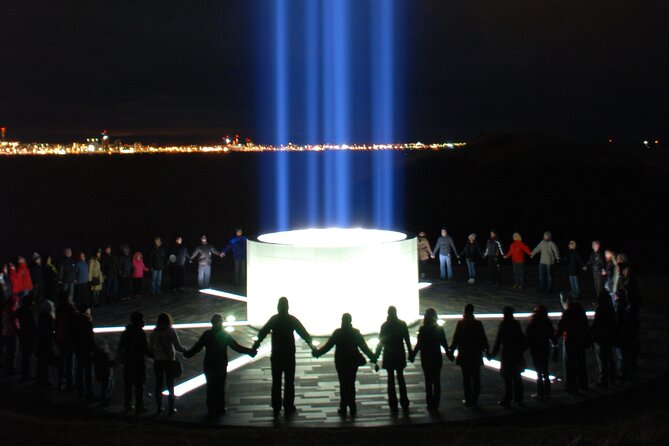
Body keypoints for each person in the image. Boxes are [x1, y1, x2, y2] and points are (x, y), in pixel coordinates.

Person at [184, 314, 256, 416]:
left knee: (210, 386)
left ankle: (211, 408)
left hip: (209, 364)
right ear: (221, 323)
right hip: (221, 364)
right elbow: (237, 347)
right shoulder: (224, 335)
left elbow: (197, 347)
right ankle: (220, 408)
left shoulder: (207, 334)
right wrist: (250, 351)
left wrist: (187, 354)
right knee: (220, 386)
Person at [252, 297, 313, 416]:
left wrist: (255, 346)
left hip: (276, 354)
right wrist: (312, 346)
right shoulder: (292, 320)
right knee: (289, 382)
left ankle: (276, 406)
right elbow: (304, 333)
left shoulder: (274, 319)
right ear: (288, 307)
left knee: (276, 381)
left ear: (278, 307)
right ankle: (288, 406)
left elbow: (262, 333)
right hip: (289, 355)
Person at [313, 313, 376, 417]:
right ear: (350, 321)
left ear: (342, 321)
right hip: (352, 361)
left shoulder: (338, 333)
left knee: (343, 384)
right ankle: (352, 406)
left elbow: (328, 346)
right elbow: (364, 348)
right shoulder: (355, 333)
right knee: (351, 383)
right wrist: (372, 357)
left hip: (341, 362)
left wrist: (318, 353)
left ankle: (343, 407)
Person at [409, 308, 452, 412]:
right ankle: (436, 403)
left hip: (426, 357)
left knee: (428, 380)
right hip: (436, 356)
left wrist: (413, 355)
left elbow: (419, 345)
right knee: (436, 380)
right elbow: (444, 343)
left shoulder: (423, 329)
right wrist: (449, 353)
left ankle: (429, 402)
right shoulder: (439, 329)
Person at [450, 304, 489, 406]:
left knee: (466, 377)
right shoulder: (478, 323)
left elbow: (456, 339)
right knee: (476, 377)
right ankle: (475, 398)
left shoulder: (461, 323)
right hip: (476, 354)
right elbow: (483, 339)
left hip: (464, 354)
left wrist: (450, 351)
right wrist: (488, 352)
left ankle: (468, 399)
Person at [374, 306, 412, 413]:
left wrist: (375, 356)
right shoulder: (402, 324)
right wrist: (411, 353)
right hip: (399, 353)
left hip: (388, 355)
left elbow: (381, 342)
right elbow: (407, 340)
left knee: (390, 379)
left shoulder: (385, 326)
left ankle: (393, 403)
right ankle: (404, 401)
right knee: (401, 377)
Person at [149, 313, 186, 415]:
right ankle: (171, 407)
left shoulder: (154, 333)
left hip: (158, 361)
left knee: (158, 384)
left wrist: (156, 355)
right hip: (169, 360)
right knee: (170, 384)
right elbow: (177, 346)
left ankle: (159, 407)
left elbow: (150, 348)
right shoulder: (171, 331)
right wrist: (185, 351)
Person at [490, 307, 527, 407]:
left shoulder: (504, 325)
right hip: (516, 355)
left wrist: (492, 354)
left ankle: (508, 398)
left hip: (507, 355)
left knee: (507, 378)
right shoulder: (516, 325)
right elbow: (523, 340)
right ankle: (518, 398)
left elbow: (498, 341)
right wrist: (520, 351)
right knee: (517, 377)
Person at [555, 292, 590, 393]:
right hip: (581, 339)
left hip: (570, 340)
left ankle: (570, 386)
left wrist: (554, 338)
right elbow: (585, 323)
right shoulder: (580, 309)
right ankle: (583, 384)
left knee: (569, 364)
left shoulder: (568, 312)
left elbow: (561, 327)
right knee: (581, 362)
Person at [117, 312, 150, 413]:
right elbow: (145, 349)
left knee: (128, 385)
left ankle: (127, 404)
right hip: (138, 361)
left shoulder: (126, 332)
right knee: (139, 385)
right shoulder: (140, 333)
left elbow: (120, 347)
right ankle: (139, 405)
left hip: (128, 362)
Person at [525, 305, 554, 398]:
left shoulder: (532, 323)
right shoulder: (547, 322)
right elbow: (551, 335)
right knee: (545, 369)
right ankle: (547, 390)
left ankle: (540, 391)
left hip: (536, 349)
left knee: (539, 370)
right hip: (545, 347)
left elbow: (528, 337)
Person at [589, 291, 616, 388]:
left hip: (600, 337)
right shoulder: (611, 309)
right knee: (609, 358)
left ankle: (603, 380)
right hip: (608, 336)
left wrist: (590, 332)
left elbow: (596, 323)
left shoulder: (600, 310)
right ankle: (612, 378)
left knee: (602, 359)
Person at [72, 304, 96, 400]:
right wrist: (93, 349)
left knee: (79, 368)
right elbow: (90, 337)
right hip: (86, 348)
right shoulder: (87, 322)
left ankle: (80, 389)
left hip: (78, 347)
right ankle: (89, 392)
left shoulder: (75, 320)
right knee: (88, 371)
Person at [55, 294, 76, 390]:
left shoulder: (59, 310)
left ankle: (60, 381)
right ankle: (69, 382)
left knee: (62, 360)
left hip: (60, 337)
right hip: (68, 338)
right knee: (69, 361)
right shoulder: (70, 310)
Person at [35, 299, 56, 387]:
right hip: (46, 342)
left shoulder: (41, 317)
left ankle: (40, 379)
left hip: (40, 342)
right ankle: (45, 379)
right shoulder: (49, 318)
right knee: (45, 362)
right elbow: (49, 331)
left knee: (41, 362)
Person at [16, 295, 37, 381]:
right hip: (29, 335)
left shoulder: (20, 310)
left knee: (25, 355)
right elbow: (33, 324)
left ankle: (24, 373)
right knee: (27, 355)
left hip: (23, 334)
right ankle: (26, 374)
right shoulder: (29, 312)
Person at [1, 295, 19, 374]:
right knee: (12, 352)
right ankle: (11, 368)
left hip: (5, 332)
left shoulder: (5, 310)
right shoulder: (12, 311)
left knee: (8, 351)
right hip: (12, 333)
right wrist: (18, 331)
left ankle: (7, 367)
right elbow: (14, 324)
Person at [93, 340, 114, 406]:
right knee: (107, 386)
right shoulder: (105, 354)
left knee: (104, 387)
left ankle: (103, 399)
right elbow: (109, 363)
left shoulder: (96, 354)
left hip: (101, 373)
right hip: (107, 373)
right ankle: (104, 400)